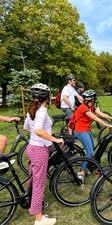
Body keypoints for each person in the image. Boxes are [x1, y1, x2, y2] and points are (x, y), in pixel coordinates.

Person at [24, 83, 64, 225]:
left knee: (33, 179)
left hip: (31, 147)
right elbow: (38, 130)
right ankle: (39, 218)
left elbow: (27, 127)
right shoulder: (41, 112)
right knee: (39, 184)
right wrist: (55, 139)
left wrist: (38, 136)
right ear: (47, 97)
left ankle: (29, 200)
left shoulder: (32, 110)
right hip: (40, 150)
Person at [73, 89, 112, 180]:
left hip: (86, 130)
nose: (95, 101)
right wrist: (107, 125)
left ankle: (87, 166)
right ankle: (82, 171)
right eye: (94, 99)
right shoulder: (83, 108)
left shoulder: (90, 107)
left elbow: (100, 114)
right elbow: (96, 118)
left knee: (92, 150)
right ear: (91, 99)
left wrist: (111, 118)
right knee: (90, 152)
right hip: (80, 131)